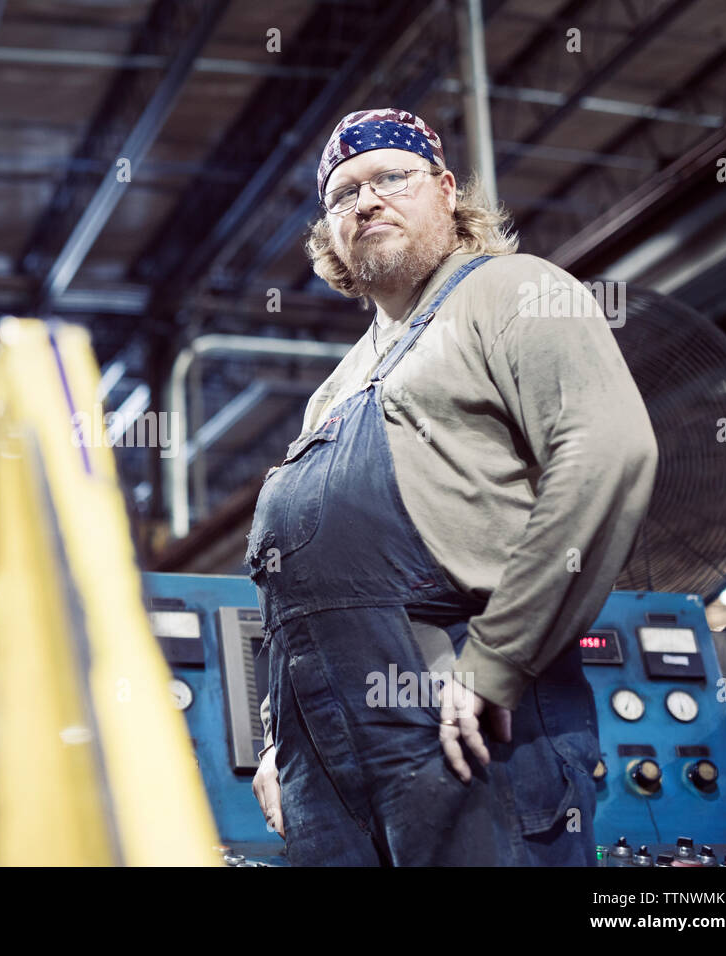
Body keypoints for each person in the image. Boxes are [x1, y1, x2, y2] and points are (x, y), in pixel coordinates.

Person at [247, 108, 657, 866]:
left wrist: (497, 661)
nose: (365, 201)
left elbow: (608, 450)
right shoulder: (334, 389)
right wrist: (282, 741)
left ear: (444, 191)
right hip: (326, 772)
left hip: (468, 724)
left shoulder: (514, 292)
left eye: (390, 178)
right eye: (343, 195)